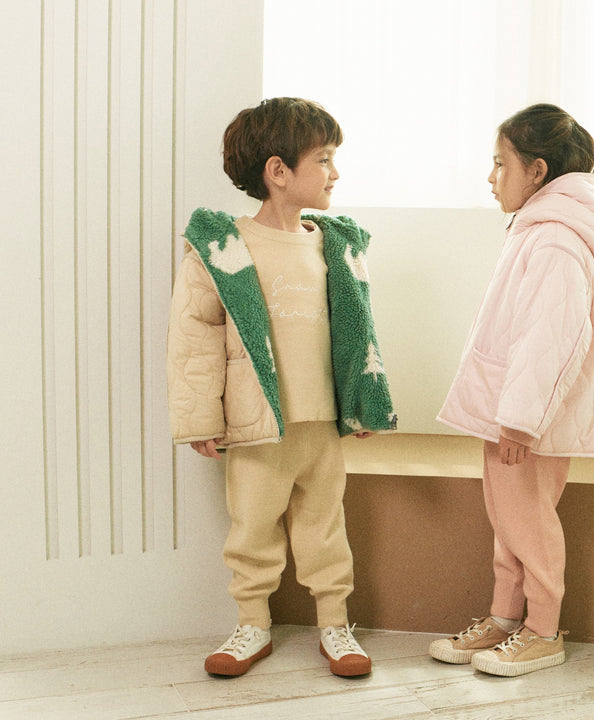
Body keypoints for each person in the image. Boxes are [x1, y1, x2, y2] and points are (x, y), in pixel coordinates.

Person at [167, 97, 396, 678]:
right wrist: (200, 419)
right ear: (278, 171)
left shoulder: (333, 245)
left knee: (325, 527)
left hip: (320, 424)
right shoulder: (223, 249)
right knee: (252, 530)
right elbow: (194, 337)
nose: (335, 172)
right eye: (324, 159)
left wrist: (364, 402)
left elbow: (358, 331)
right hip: (258, 425)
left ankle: (334, 624)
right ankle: (252, 624)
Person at [431, 103, 594, 677]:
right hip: (513, 414)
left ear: (538, 170)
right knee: (510, 521)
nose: (491, 176)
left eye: (501, 164)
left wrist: (520, 420)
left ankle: (543, 629)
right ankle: (505, 617)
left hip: (527, 420)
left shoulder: (555, 242)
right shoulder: (539, 231)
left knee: (529, 521)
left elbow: (551, 340)